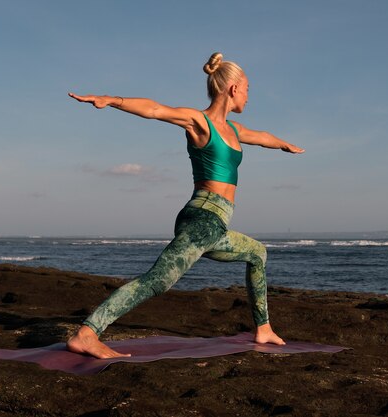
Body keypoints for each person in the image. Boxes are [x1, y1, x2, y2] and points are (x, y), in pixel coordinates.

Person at [66, 52, 304, 359]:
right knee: (158, 281)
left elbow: (261, 137)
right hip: (202, 219)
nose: (248, 95)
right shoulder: (200, 122)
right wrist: (111, 100)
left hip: (215, 226)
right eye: (247, 88)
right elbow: (154, 109)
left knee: (257, 253)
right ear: (232, 89)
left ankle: (264, 328)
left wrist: (284, 144)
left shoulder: (234, 130)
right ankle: (87, 333)